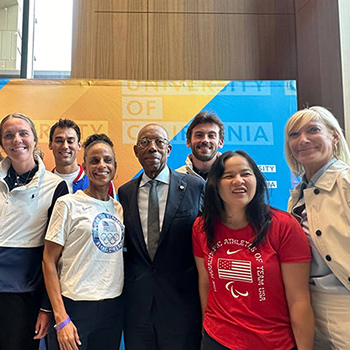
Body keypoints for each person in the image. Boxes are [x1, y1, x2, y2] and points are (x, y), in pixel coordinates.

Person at [193, 150, 314, 350]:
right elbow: (205, 283)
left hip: (273, 343)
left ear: (256, 179)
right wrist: (208, 328)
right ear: (215, 184)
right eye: (229, 176)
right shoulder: (202, 227)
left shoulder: (283, 226)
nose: (238, 181)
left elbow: (299, 300)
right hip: (217, 339)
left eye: (246, 174)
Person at [118, 124, 205, 350]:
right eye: (145, 143)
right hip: (138, 308)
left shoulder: (195, 187)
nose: (152, 148)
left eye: (159, 142)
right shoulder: (125, 193)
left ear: (169, 149)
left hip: (182, 305)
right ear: (136, 151)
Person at [42, 134, 124, 350]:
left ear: (115, 166)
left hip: (113, 309)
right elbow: (48, 261)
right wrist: (61, 318)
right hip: (75, 308)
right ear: (85, 166)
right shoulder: (67, 204)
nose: (101, 166)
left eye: (107, 160)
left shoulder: (119, 208)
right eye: (94, 161)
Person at [0, 113, 68, 350]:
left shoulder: (55, 187)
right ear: (2, 143)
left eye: (23, 133)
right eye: (8, 135)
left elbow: (55, 256)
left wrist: (46, 307)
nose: (16, 140)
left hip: (24, 298)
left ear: (35, 140)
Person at [285, 106, 350, 350]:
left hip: (343, 302)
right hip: (308, 304)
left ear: (334, 137)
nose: (303, 140)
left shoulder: (347, 183)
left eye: (313, 130)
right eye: (294, 134)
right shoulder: (298, 195)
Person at [49, 118, 116, 196]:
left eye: (70, 141)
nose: (65, 146)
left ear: (79, 145)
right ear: (50, 144)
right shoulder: (44, 184)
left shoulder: (101, 180)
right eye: (59, 141)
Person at [177, 110, 224, 180]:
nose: (205, 140)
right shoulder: (176, 179)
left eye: (211, 135)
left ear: (221, 142)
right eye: (199, 135)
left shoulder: (232, 176)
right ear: (188, 142)